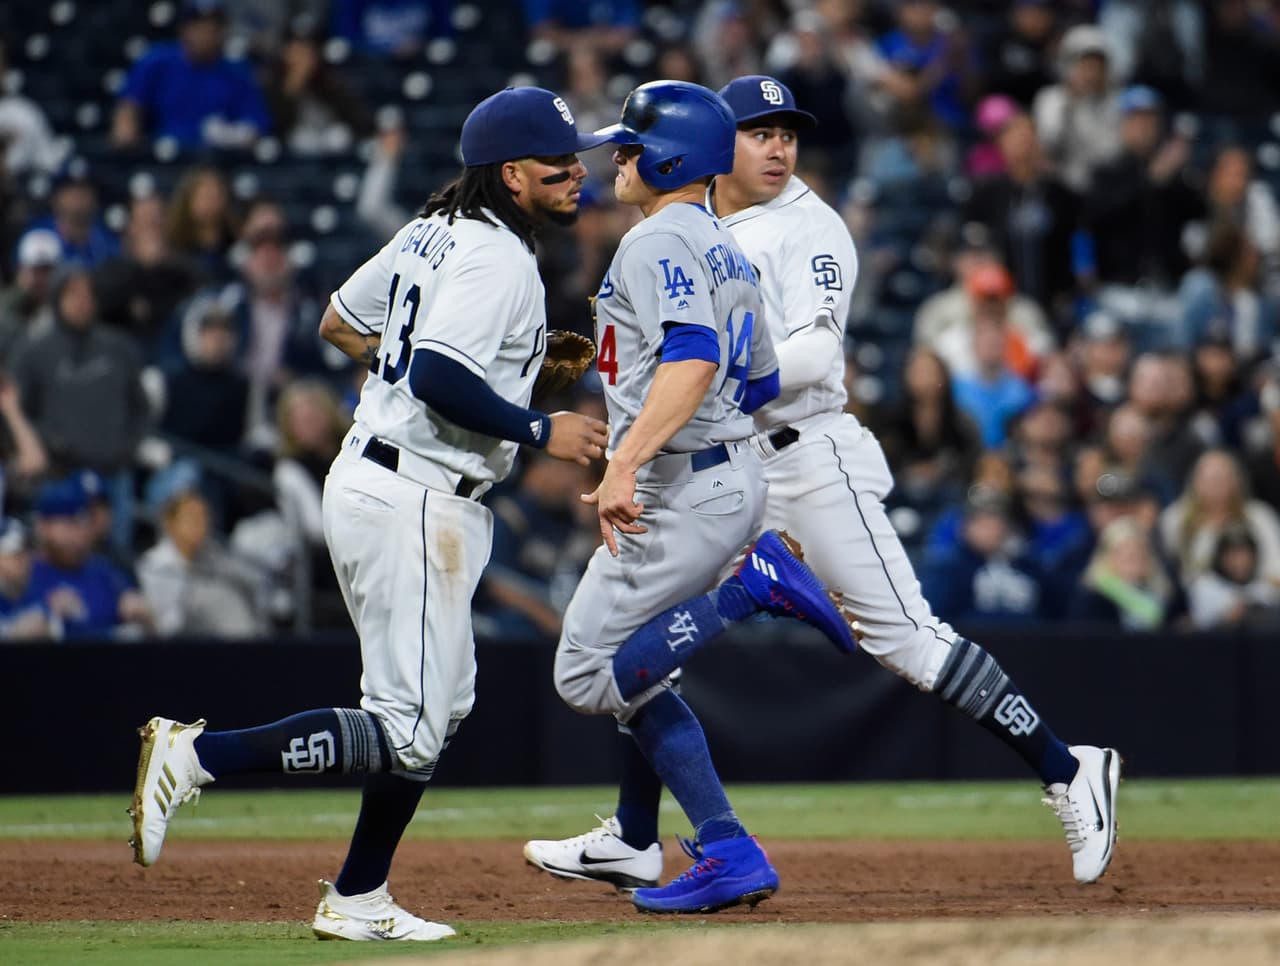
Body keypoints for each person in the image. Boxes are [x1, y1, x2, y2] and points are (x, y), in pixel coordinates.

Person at [525, 75, 1121, 897]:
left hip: (805, 456)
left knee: (907, 639)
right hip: (724, 454)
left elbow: (813, 357)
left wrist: (702, 393)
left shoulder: (809, 228)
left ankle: (1068, 766)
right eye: (758, 131)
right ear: (710, 145)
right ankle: (634, 835)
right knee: (644, 640)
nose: (777, 146)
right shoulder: (703, 226)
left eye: (788, 133)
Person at [127, 84, 612, 943]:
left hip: (384, 480)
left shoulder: (435, 228)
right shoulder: (499, 258)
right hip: (415, 495)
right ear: (510, 174)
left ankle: (359, 894)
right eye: (558, 164)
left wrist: (476, 385)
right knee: (412, 726)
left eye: (578, 158)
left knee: (439, 706)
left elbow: (343, 323)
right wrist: (535, 422)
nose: (579, 173)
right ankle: (197, 757)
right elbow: (431, 376)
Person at [534, 79, 854, 915]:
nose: (618, 157)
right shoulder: (719, 241)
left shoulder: (655, 243)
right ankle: (658, 839)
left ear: (671, 156)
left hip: (685, 485)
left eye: (632, 146)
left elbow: (693, 356)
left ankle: (755, 590)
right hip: (724, 471)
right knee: (640, 664)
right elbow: (761, 379)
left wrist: (630, 459)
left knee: (589, 673)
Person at [112, 0, 272, 151]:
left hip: (217, 161)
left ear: (223, 30)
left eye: (213, 26)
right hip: (163, 156)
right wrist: (126, 134)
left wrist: (230, 135)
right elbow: (129, 107)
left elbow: (256, 128)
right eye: (197, 25)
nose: (205, 33)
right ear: (183, 28)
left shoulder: (237, 72)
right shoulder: (158, 60)